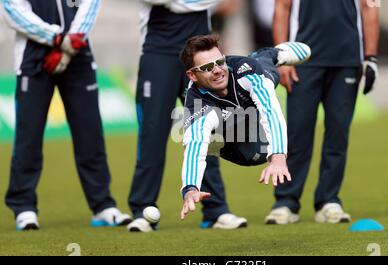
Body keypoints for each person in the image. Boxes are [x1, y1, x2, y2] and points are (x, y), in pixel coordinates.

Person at [1, 0, 131, 231]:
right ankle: (24, 208)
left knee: (89, 134)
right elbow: (13, 10)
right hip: (34, 56)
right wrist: (57, 39)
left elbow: (90, 4)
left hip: (78, 53)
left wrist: (70, 42)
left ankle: (102, 206)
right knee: (28, 136)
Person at [126, 0, 248, 232]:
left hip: (201, 53)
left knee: (207, 131)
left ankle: (216, 210)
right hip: (159, 50)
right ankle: (142, 209)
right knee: (152, 133)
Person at [266, 0, 380, 225]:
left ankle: (328, 201)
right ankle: (286, 202)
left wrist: (370, 57)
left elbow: (371, 7)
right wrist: (282, 58)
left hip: (346, 61)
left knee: (338, 133)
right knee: (298, 134)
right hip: (302, 62)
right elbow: (282, 9)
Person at [177, 34, 311, 220]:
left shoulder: (247, 71)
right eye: (207, 68)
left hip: (253, 103)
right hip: (230, 131)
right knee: (251, 155)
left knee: (271, 68)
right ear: (192, 75)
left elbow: (270, 111)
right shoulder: (196, 104)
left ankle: (272, 54)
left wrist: (278, 156)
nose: (217, 70)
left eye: (220, 62)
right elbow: (194, 145)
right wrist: (190, 188)